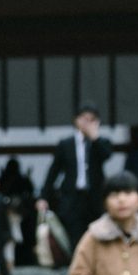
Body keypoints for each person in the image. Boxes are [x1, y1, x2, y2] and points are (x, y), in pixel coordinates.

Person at [45, 105, 112, 251]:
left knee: (97, 233)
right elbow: (54, 171)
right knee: (74, 236)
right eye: (84, 119)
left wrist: (94, 137)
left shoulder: (101, 142)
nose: (87, 123)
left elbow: (106, 155)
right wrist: (43, 196)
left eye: (92, 120)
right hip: (72, 197)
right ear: (76, 120)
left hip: (94, 197)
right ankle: (78, 269)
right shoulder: (66, 144)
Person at [0, 155, 39, 267]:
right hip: (9, 215)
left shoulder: (19, 179)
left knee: (22, 238)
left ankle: (22, 260)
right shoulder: (10, 179)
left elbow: (30, 192)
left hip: (23, 215)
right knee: (12, 240)